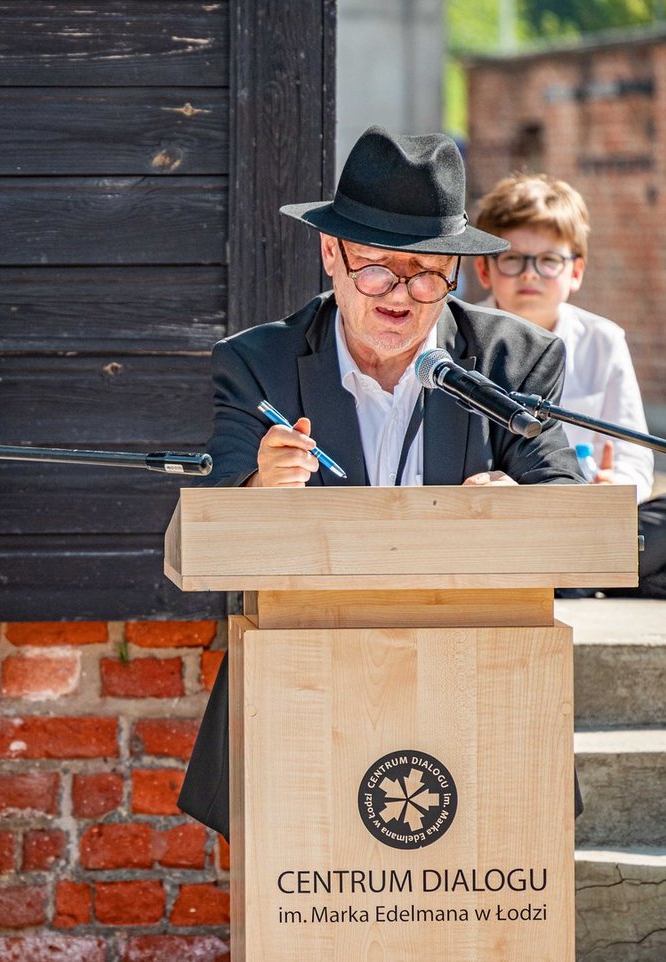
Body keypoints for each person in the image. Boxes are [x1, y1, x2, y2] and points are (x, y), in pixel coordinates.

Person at [178, 126, 586, 839]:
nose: (402, 295)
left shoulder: (512, 360)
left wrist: (520, 511)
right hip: (302, 689)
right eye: (376, 269)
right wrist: (260, 490)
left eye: (427, 272)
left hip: (479, 687)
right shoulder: (259, 365)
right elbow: (205, 522)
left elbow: (573, 513)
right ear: (330, 254)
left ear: (455, 270)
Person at [473, 173, 666, 602]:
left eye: (549, 260)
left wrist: (615, 487)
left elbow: (633, 451)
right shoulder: (461, 339)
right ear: (484, 269)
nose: (530, 274)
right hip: (500, 520)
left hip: (582, 520)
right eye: (512, 259)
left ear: (576, 271)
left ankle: (565, 578)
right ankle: (623, 574)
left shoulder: (603, 341)